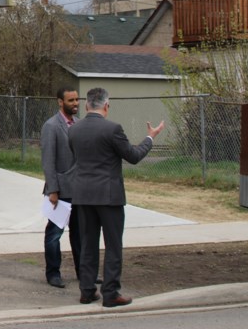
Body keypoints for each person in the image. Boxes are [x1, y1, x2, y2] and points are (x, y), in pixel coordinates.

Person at [69, 87, 164, 308]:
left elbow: (77, 156)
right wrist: (150, 137)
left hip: (82, 194)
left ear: (86, 105)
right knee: (113, 245)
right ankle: (110, 292)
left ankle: (87, 290)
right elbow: (133, 156)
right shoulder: (113, 129)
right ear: (106, 106)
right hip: (109, 196)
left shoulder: (74, 130)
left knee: (87, 244)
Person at [41, 87, 81, 288]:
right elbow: (48, 161)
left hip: (80, 190)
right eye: (71, 100)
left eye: (76, 99)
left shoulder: (79, 125)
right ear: (60, 102)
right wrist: (53, 190)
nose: (75, 103)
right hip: (61, 191)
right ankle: (53, 273)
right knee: (54, 234)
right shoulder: (52, 126)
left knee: (80, 233)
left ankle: (83, 272)